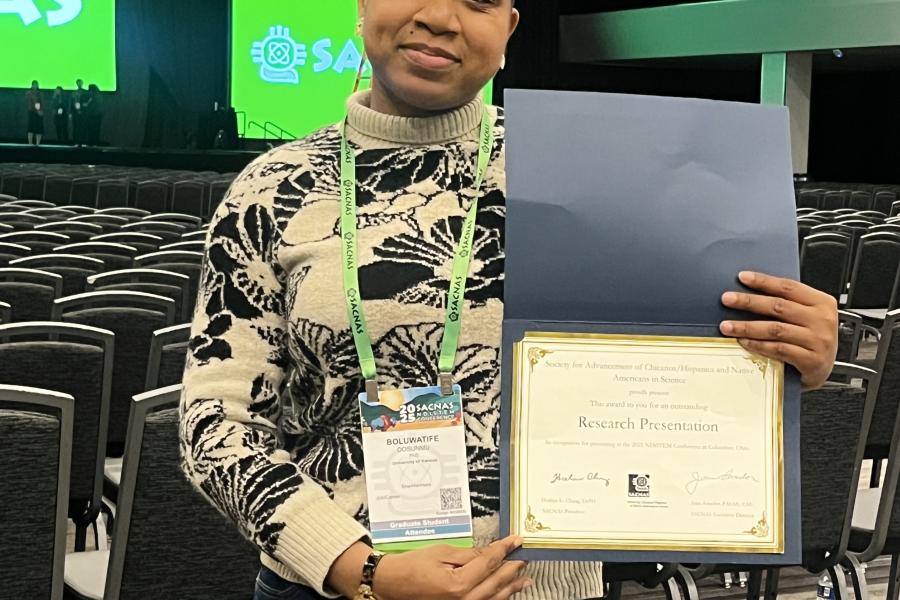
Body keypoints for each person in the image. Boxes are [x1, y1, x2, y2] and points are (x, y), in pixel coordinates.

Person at [179, 1, 839, 599]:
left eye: (479, 1)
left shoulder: (594, 176)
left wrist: (786, 361)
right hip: (333, 586)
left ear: (509, 29)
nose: (441, 17)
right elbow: (215, 419)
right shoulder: (273, 189)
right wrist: (363, 570)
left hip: (546, 587)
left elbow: (671, 361)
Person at [25, 80, 44, 146]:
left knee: (39, 128)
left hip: (38, 113)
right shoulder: (29, 93)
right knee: (31, 128)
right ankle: (30, 143)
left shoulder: (39, 93)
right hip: (32, 112)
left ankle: (37, 143)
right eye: (34, 84)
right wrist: (37, 110)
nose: (35, 86)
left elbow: (40, 103)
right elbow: (31, 103)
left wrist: (40, 111)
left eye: (36, 84)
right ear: (32, 85)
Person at [71, 79, 86, 146]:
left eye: (80, 83)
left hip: (84, 112)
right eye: (78, 83)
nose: (79, 84)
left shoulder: (86, 92)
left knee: (83, 127)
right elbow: (73, 102)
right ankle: (76, 141)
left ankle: (83, 141)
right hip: (76, 113)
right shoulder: (74, 92)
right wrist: (76, 110)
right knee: (76, 127)